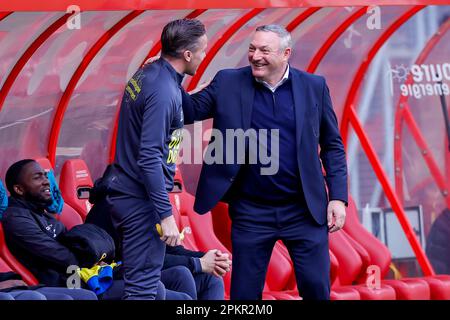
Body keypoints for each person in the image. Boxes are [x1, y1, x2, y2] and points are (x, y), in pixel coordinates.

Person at [181, 25, 348, 300]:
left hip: (304, 210)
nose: (255, 56)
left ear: (286, 54)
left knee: (317, 290)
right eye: (252, 48)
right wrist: (165, 75)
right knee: (244, 297)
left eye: (264, 50)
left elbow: (332, 146)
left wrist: (338, 198)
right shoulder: (228, 83)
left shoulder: (314, 87)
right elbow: (187, 112)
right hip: (251, 213)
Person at [103, 18, 208, 299]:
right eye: (202, 51)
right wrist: (165, 215)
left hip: (129, 193)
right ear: (187, 54)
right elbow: (149, 157)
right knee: (142, 291)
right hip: (141, 201)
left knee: (148, 287)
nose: (204, 55)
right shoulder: (163, 91)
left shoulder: (149, 74)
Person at [85, 172, 230, 300]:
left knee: (210, 278)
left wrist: (209, 260)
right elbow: (145, 260)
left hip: (143, 273)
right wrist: (198, 264)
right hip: (114, 278)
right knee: (180, 276)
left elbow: (169, 250)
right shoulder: (119, 206)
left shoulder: (148, 200)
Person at [1, 159, 127, 300]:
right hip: (65, 281)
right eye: (37, 177)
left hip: (79, 274)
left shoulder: (42, 212)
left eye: (44, 175)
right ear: (19, 189)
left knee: (145, 278)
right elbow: (60, 255)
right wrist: (92, 259)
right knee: (138, 287)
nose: (46, 181)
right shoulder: (16, 218)